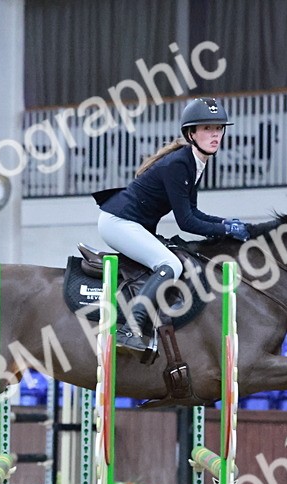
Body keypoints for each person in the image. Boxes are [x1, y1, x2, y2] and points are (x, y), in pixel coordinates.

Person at [96, 97, 250, 351]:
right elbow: (186, 222)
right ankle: (130, 329)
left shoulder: (195, 162)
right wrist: (224, 229)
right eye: (207, 129)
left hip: (131, 223)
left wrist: (225, 222)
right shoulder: (180, 163)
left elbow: (193, 211)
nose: (215, 135)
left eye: (219, 129)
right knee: (170, 264)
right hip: (118, 222)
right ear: (191, 133)